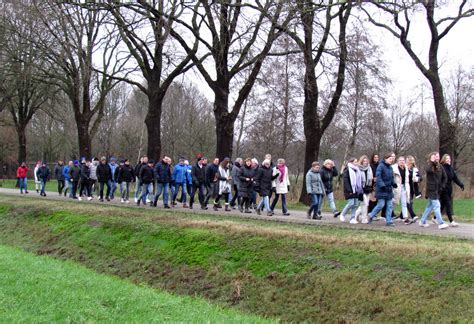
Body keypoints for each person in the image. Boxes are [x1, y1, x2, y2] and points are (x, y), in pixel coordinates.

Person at [419, 152, 449, 230]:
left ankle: (422, 221)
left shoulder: (440, 167)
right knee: (437, 206)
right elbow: (429, 171)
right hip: (431, 190)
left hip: (438, 190)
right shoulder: (429, 165)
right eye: (435, 156)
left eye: (438, 156)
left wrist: (442, 186)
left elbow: (445, 177)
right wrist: (432, 162)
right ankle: (441, 223)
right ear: (432, 157)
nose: (437, 157)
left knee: (429, 206)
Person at [368, 153, 396, 226]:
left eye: (392, 159)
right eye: (390, 159)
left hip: (389, 190)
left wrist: (394, 183)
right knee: (381, 204)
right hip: (381, 189)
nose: (391, 160)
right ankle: (371, 215)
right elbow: (378, 176)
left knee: (390, 205)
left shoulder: (390, 167)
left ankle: (389, 221)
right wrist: (382, 185)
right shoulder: (381, 166)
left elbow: (391, 177)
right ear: (385, 159)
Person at [439, 154, 464, 227]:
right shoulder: (442, 168)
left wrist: (461, 185)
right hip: (443, 189)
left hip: (449, 189)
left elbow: (455, 178)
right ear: (444, 159)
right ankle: (451, 221)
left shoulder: (451, 168)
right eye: (447, 158)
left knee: (443, 204)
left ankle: (435, 218)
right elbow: (439, 178)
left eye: (449, 158)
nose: (448, 159)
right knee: (448, 204)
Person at [340, 158, 364, 224]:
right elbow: (346, 181)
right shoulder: (347, 170)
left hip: (356, 189)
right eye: (355, 162)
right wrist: (349, 190)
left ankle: (352, 218)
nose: (357, 163)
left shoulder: (357, 170)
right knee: (351, 203)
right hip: (349, 190)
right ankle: (342, 214)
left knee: (355, 204)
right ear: (351, 162)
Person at [354, 155, 373, 224]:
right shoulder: (358, 169)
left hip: (368, 188)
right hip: (361, 189)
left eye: (366, 161)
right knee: (364, 204)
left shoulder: (369, 168)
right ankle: (363, 218)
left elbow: (371, 179)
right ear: (361, 162)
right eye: (364, 161)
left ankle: (356, 215)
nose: (365, 162)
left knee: (365, 204)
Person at [403, 155, 421, 225]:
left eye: (409, 161)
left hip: (413, 188)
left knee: (409, 202)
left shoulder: (415, 169)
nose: (408, 162)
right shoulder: (404, 168)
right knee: (408, 201)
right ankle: (413, 215)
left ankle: (402, 215)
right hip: (406, 187)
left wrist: (417, 179)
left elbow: (420, 178)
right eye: (407, 161)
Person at [392, 156, 410, 220]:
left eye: (403, 160)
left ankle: (405, 218)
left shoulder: (406, 168)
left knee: (404, 203)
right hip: (397, 188)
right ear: (398, 161)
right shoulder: (394, 168)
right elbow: (392, 178)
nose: (402, 161)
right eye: (400, 160)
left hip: (404, 187)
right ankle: (388, 214)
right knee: (394, 202)